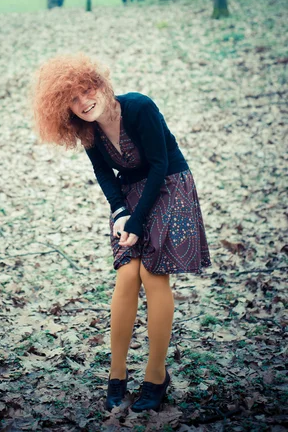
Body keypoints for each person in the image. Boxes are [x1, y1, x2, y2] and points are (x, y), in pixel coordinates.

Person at [31, 53, 212, 413]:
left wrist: (136, 219)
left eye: (87, 90)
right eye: (73, 100)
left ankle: (156, 375)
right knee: (127, 274)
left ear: (100, 84)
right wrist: (119, 212)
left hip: (169, 186)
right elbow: (104, 175)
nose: (84, 103)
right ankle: (117, 375)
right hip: (130, 197)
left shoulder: (139, 107)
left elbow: (160, 164)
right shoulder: (88, 131)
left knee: (152, 273)